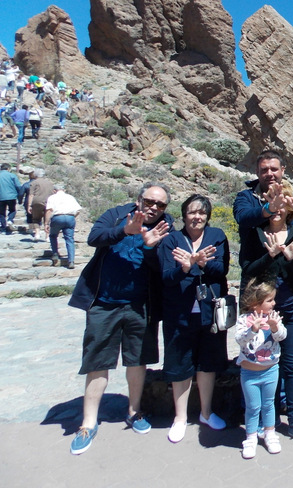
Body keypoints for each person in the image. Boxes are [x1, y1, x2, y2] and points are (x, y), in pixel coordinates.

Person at [67, 182, 173, 455]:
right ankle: (88, 423)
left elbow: (163, 266)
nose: (154, 208)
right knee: (97, 360)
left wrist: (150, 248)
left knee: (137, 360)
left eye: (160, 205)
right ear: (139, 199)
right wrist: (124, 231)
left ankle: (134, 411)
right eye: (150, 201)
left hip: (141, 305)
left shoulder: (166, 227)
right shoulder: (116, 215)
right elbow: (94, 238)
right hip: (104, 303)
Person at [233, 149, 293, 446]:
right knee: (255, 363)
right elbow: (244, 219)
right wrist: (269, 210)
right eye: (264, 168)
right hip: (258, 308)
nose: (269, 173)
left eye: (274, 168)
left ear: (283, 170)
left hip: (292, 307)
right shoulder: (251, 210)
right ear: (258, 171)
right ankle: (253, 425)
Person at [158, 194, 230, 443]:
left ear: (208, 216)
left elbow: (222, 270)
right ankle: (179, 418)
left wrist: (202, 263)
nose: (197, 217)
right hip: (179, 313)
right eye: (192, 212)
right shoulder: (171, 240)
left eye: (202, 212)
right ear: (184, 214)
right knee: (180, 365)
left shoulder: (217, 236)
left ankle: (206, 413)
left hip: (210, 313)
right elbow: (166, 277)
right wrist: (186, 268)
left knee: (207, 364)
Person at [235, 279, 287, 459]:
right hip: (249, 373)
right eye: (270, 300)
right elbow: (240, 339)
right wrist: (253, 329)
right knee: (253, 406)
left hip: (270, 371)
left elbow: (282, 336)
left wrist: (274, 327)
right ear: (256, 303)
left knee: (269, 404)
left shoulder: (274, 318)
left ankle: (270, 433)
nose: (274, 303)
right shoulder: (244, 320)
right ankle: (250, 438)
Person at [44, 184, 82, 268]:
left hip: (57, 217)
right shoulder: (70, 197)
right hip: (70, 217)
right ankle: (71, 261)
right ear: (64, 190)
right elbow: (78, 210)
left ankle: (55, 253)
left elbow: (49, 211)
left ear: (54, 191)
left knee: (53, 235)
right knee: (69, 239)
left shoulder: (52, 197)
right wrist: (72, 217)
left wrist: (46, 223)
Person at [29, 169, 55, 241]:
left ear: (35, 175)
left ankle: (37, 234)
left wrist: (29, 205)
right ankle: (47, 236)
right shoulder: (50, 183)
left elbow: (31, 195)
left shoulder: (34, 183)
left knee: (36, 219)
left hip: (37, 202)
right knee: (47, 220)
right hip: (49, 202)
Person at [0, 163, 23, 234]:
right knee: (12, 210)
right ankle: (10, 220)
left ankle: (3, 226)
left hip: (1, 197)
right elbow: (18, 186)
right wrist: (20, 196)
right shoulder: (12, 176)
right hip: (11, 196)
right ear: (8, 169)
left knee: (1, 213)